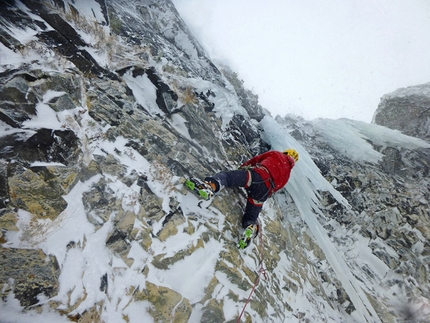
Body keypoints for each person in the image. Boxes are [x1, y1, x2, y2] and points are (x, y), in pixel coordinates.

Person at [203, 149, 299, 246]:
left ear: (286, 153)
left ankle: (210, 187)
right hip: (264, 192)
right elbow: (276, 189)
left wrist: (241, 169)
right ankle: (251, 226)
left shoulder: (276, 154)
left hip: (257, 176)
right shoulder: (287, 175)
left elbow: (256, 159)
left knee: (227, 177)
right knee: (250, 217)